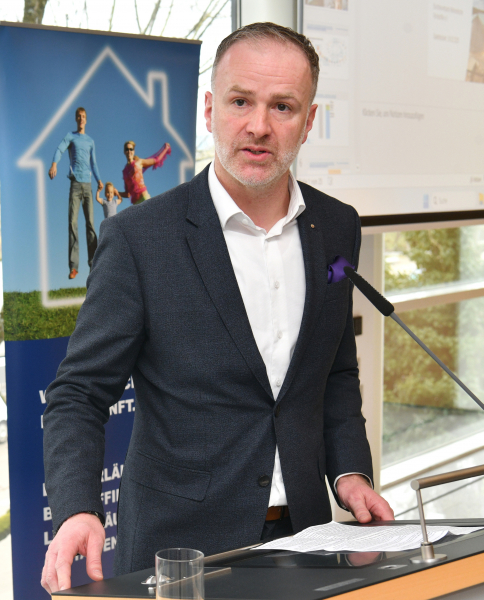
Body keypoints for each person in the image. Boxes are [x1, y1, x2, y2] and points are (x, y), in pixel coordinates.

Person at [40, 22, 395, 594]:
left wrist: (350, 472)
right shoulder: (139, 239)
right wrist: (77, 508)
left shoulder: (336, 225)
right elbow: (78, 393)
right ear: (210, 110)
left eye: (283, 107)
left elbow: (334, 369)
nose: (259, 126)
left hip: (308, 537)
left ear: (308, 122)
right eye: (240, 101)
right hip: (180, 552)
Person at [49, 107, 104, 280]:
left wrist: (99, 180)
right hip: (75, 184)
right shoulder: (71, 136)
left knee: (91, 225)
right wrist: (54, 164)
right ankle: (74, 267)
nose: (81, 119)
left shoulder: (90, 141)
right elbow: (60, 149)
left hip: (88, 186)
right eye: (79, 116)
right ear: (76, 119)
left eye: (83, 116)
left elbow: (94, 164)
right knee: (72, 223)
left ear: (86, 120)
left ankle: (94, 264)